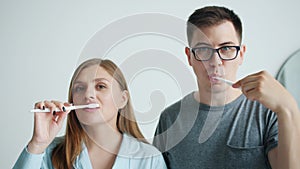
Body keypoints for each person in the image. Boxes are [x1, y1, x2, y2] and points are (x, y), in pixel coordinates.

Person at [153, 6, 300, 169]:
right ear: (189, 57)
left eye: (226, 48)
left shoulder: (267, 113)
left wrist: (288, 107)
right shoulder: (170, 118)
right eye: (203, 49)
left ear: (241, 54)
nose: (215, 61)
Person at [14, 58, 167, 169]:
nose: (88, 95)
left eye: (100, 86)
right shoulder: (48, 153)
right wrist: (38, 144)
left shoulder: (149, 159)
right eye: (80, 88)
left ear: (122, 99)